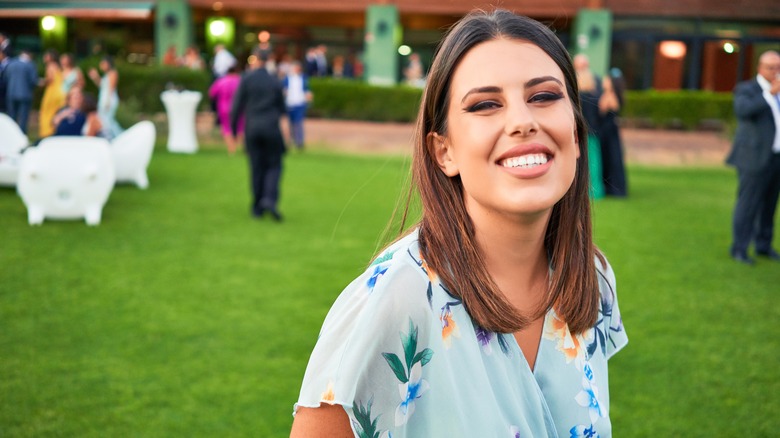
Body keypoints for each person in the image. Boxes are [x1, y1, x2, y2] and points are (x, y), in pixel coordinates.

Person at [291, 9, 627, 438]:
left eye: (543, 96)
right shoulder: (397, 300)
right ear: (443, 151)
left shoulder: (592, 279)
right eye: (486, 104)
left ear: (577, 135)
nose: (524, 121)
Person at [726, 50, 780, 265]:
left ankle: (763, 245)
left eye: (778, 67)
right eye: (771, 67)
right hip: (753, 158)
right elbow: (743, 110)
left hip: (776, 157)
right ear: (760, 68)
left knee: (770, 205)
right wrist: (769, 94)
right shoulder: (747, 89)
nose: (776, 72)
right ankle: (739, 248)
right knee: (748, 204)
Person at [230, 50, 287, 221]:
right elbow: (283, 110)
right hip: (271, 128)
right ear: (268, 60)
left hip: (253, 129)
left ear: (255, 61)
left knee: (256, 167)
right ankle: (269, 199)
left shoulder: (246, 79)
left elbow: (236, 108)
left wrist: (234, 132)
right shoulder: (274, 81)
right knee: (274, 165)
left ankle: (257, 207)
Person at [573, 53, 604, 199]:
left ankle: (593, 190)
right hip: (589, 129)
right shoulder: (595, 83)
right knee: (592, 160)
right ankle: (593, 190)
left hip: (586, 130)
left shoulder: (573, 84)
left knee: (589, 160)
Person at [597, 68, 628, 197]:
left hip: (608, 133)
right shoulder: (616, 95)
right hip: (612, 132)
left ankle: (612, 188)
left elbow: (601, 110)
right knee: (613, 158)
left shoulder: (609, 96)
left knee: (610, 158)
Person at [208, 65, 244, 155]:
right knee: (240, 128)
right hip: (239, 108)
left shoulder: (221, 81)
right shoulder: (241, 81)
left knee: (227, 128)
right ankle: (240, 148)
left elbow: (212, 93)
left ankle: (231, 149)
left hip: (223, 108)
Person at [88, 56, 123, 140]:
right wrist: (95, 77)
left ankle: (118, 136)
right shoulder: (106, 75)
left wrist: (108, 101)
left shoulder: (113, 73)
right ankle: (113, 136)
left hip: (108, 100)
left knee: (108, 120)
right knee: (105, 120)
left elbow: (111, 88)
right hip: (104, 99)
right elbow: (102, 86)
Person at [4, 50, 38, 134]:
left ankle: (10, 134)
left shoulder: (11, 63)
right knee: (23, 117)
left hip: (11, 93)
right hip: (25, 95)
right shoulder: (30, 65)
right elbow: (33, 81)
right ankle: (22, 136)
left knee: (12, 117)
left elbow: (5, 78)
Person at [282, 61, 312, 150]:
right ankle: (291, 140)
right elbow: (283, 89)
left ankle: (300, 142)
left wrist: (308, 97)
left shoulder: (303, 78)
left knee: (299, 122)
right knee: (291, 123)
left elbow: (307, 89)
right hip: (290, 102)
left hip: (300, 102)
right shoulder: (287, 78)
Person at [38, 49, 65, 138]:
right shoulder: (58, 66)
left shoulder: (50, 66)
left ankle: (46, 132)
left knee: (46, 113)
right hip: (60, 92)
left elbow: (50, 79)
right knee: (55, 112)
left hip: (52, 92)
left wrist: (41, 82)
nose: (44, 57)